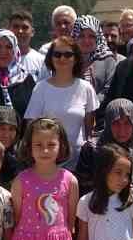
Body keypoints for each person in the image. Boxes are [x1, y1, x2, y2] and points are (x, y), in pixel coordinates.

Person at [23, 35, 99, 170]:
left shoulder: (86, 88)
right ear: (51, 58)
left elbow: (89, 128)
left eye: (68, 54)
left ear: (75, 58)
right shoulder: (40, 88)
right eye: (57, 54)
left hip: (79, 163)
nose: (62, 58)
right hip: (47, 161)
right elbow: (31, 126)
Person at [73, 14, 121, 96]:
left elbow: (109, 90)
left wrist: (91, 105)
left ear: (98, 38)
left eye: (91, 36)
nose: (86, 41)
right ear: (75, 37)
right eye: (81, 36)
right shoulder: (66, 57)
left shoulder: (107, 60)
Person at [7, 10, 45, 79]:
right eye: (16, 27)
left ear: (32, 32)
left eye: (25, 27)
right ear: (8, 30)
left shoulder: (42, 62)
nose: (20, 31)